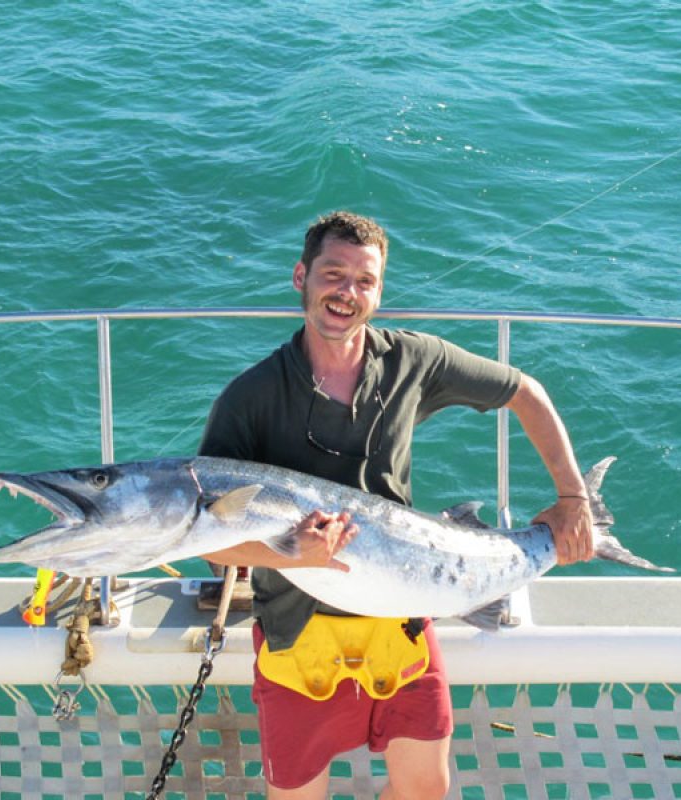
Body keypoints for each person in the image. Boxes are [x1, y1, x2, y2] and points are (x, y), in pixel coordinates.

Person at [197, 210, 595, 800]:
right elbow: (211, 546)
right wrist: (289, 554)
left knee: (425, 791)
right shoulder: (249, 399)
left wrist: (572, 498)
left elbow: (525, 393)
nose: (347, 293)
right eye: (333, 274)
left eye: (365, 281)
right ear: (301, 277)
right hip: (295, 631)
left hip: (405, 613)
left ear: (379, 292)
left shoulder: (414, 360)